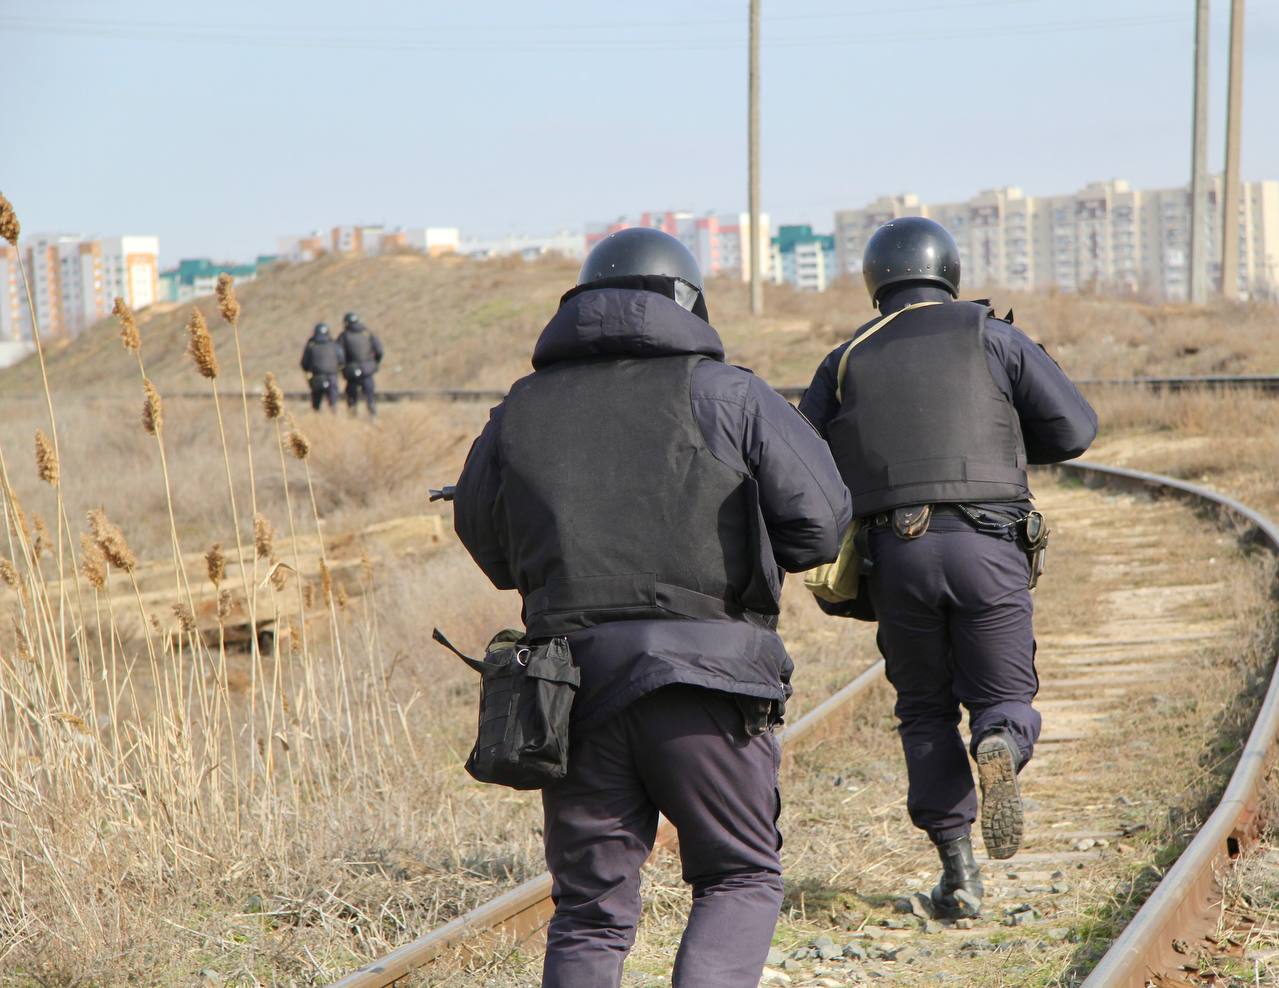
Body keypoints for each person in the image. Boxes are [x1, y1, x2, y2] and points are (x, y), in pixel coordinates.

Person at [453, 227, 851, 987]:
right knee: (737, 876)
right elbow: (819, 525)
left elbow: (484, 536)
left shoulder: (521, 408)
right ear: (686, 301)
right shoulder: (730, 391)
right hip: (708, 677)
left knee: (588, 911)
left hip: (571, 686)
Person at [798, 216, 1097, 920]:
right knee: (1002, 695)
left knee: (923, 709)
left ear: (876, 282)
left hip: (896, 555)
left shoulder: (844, 358)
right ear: (949, 271)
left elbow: (799, 461)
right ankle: (998, 741)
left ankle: (958, 877)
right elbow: (1075, 430)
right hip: (988, 546)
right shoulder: (992, 336)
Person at [336, 311, 384, 416]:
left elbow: (339, 354)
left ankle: (352, 415)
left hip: (352, 370)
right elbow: (379, 351)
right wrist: (374, 363)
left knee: (351, 394)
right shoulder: (367, 333)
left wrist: (342, 367)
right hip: (367, 369)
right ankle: (373, 415)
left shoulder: (344, 336)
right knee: (370, 394)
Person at [300, 322, 341, 411]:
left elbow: (304, 363)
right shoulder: (334, 344)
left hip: (317, 377)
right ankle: (334, 416)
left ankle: (317, 417)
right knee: (333, 403)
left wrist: (309, 371)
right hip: (332, 376)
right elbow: (341, 359)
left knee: (316, 404)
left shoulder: (311, 345)